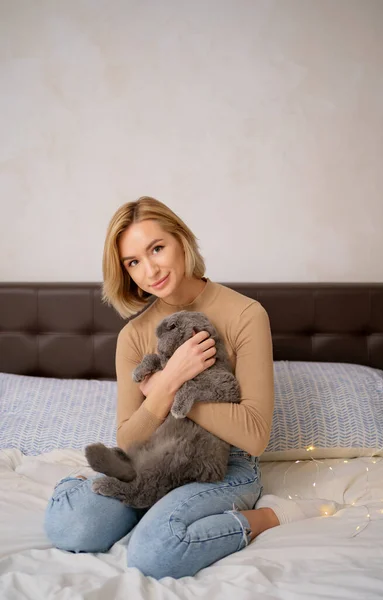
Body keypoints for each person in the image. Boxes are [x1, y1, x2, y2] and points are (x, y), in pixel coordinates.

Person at [44, 196, 342, 579]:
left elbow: (254, 436)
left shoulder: (245, 314)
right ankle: (136, 499)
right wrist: (168, 380)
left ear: (181, 240)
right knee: (72, 526)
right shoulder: (133, 336)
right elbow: (128, 438)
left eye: (156, 248)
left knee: (155, 554)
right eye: (133, 262)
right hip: (152, 460)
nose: (150, 270)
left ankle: (269, 515)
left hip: (222, 467)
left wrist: (178, 388)